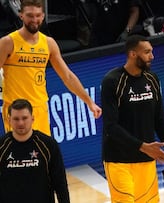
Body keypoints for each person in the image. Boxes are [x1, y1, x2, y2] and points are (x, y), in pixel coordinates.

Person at [0, 0, 102, 135]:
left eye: (38, 15)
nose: (34, 20)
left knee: (43, 154)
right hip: (16, 111)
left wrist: (89, 102)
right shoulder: (8, 42)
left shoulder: (48, 43)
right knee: (23, 154)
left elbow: (67, 76)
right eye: (30, 15)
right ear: (21, 16)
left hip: (40, 108)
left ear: (43, 16)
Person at [101, 34, 164, 202]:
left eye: (151, 51)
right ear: (132, 54)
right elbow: (111, 126)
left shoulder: (152, 79)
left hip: (146, 161)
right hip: (119, 160)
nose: (152, 56)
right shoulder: (113, 81)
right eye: (147, 52)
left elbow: (159, 120)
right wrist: (143, 146)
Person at [0, 99, 70, 203]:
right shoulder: (2, 147)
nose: (20, 123)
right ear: (9, 120)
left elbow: (60, 183)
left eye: (24, 118)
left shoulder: (48, 145)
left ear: (32, 118)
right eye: (16, 119)